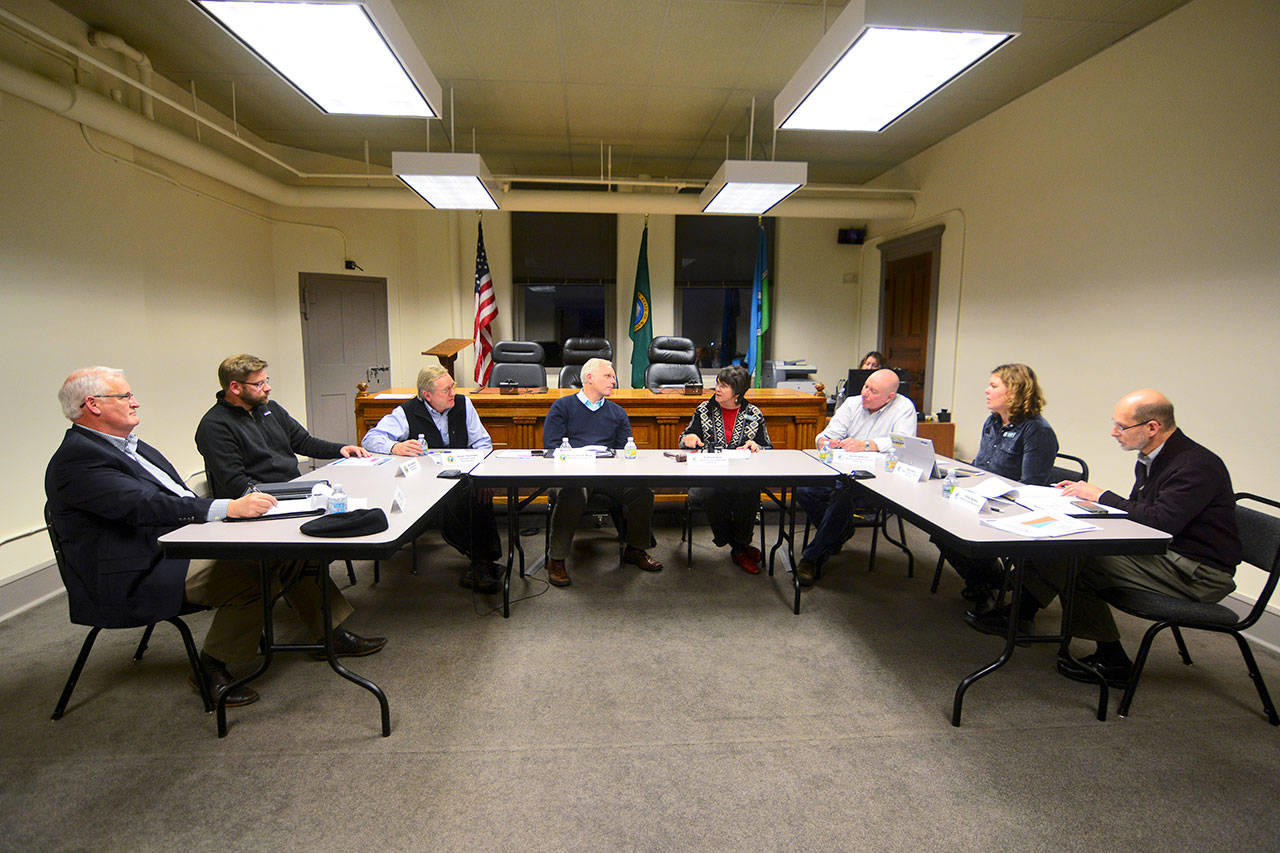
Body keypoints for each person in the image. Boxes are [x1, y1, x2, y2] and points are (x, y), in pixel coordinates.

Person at [45, 367, 380, 710]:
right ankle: (211, 668)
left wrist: (215, 518)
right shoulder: (79, 459)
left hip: (179, 542)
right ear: (93, 405)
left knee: (297, 550)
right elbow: (143, 506)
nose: (136, 402)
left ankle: (328, 632)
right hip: (138, 569)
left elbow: (170, 497)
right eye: (125, 396)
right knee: (252, 574)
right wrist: (224, 510)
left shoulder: (130, 446)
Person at [969, 389, 1240, 689]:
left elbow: (1162, 523)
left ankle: (1106, 657)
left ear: (1152, 427)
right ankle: (1024, 615)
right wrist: (1088, 505)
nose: (1114, 432)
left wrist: (1101, 496)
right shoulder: (1155, 457)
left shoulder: (1194, 465)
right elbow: (1148, 513)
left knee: (1076, 558)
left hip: (1197, 572)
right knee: (1067, 546)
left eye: (1122, 427)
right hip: (1167, 554)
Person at [361, 365, 503, 593]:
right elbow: (370, 439)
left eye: (453, 387)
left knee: (477, 496)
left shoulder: (464, 405)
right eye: (446, 390)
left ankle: (484, 561)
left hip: (462, 477)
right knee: (448, 506)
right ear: (427, 395)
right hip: (423, 484)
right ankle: (482, 562)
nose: (452, 393)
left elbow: (482, 443)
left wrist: (482, 473)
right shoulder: (406, 412)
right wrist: (395, 446)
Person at [940, 364, 1059, 605]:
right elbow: (980, 466)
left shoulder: (1037, 430)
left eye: (994, 386)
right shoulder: (992, 422)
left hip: (1010, 508)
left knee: (957, 532)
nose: (986, 390)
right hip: (981, 498)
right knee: (940, 528)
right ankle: (988, 581)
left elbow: (1031, 487)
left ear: (1014, 392)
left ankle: (988, 582)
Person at [542, 358, 662, 587]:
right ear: (589, 378)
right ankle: (556, 559)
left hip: (609, 475)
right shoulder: (562, 407)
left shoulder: (617, 412)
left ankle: (635, 549)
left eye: (613, 377)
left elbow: (625, 450)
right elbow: (551, 447)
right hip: (573, 475)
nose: (614, 381)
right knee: (573, 492)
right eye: (608, 376)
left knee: (642, 490)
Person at [795, 368, 917, 586]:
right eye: (865, 386)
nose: (865, 393)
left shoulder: (904, 408)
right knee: (805, 491)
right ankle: (840, 532)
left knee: (843, 496)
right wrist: (825, 442)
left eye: (873, 391)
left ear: (890, 397)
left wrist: (868, 445)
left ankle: (812, 557)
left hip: (878, 482)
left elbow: (903, 444)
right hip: (843, 473)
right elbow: (827, 434)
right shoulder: (852, 404)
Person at [194, 353, 371, 500]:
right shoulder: (214, 426)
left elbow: (303, 442)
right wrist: (295, 493)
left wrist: (341, 449)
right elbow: (237, 484)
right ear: (235, 387)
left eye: (267, 380)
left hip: (290, 491)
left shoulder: (271, 408)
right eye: (259, 384)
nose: (268, 388)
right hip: (258, 503)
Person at [680, 365, 771, 574]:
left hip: (742, 477)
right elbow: (683, 440)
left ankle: (739, 547)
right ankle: (738, 546)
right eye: (718, 384)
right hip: (708, 476)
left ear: (737, 393)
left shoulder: (754, 413)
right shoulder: (704, 410)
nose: (717, 389)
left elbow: (767, 447)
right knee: (714, 491)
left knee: (748, 491)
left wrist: (756, 447)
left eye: (723, 386)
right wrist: (689, 439)